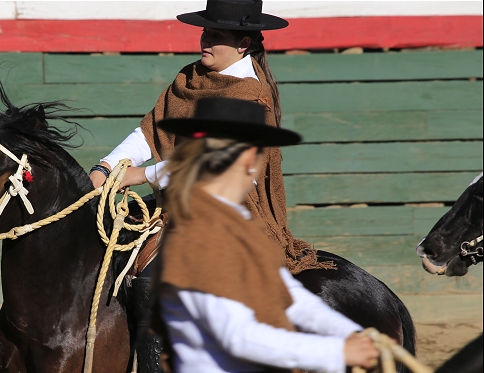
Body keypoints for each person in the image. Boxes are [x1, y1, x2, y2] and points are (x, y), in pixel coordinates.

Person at [89, 0, 331, 275]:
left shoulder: (251, 96)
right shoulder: (190, 78)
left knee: (153, 276)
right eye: (205, 32)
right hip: (176, 200)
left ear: (243, 44)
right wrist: (106, 166)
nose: (205, 40)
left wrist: (143, 175)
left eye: (217, 36)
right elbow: (151, 131)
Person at [155, 97, 379, 373]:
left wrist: (350, 333)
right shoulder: (200, 233)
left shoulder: (233, 223)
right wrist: (337, 351)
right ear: (250, 158)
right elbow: (238, 336)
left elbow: (289, 295)